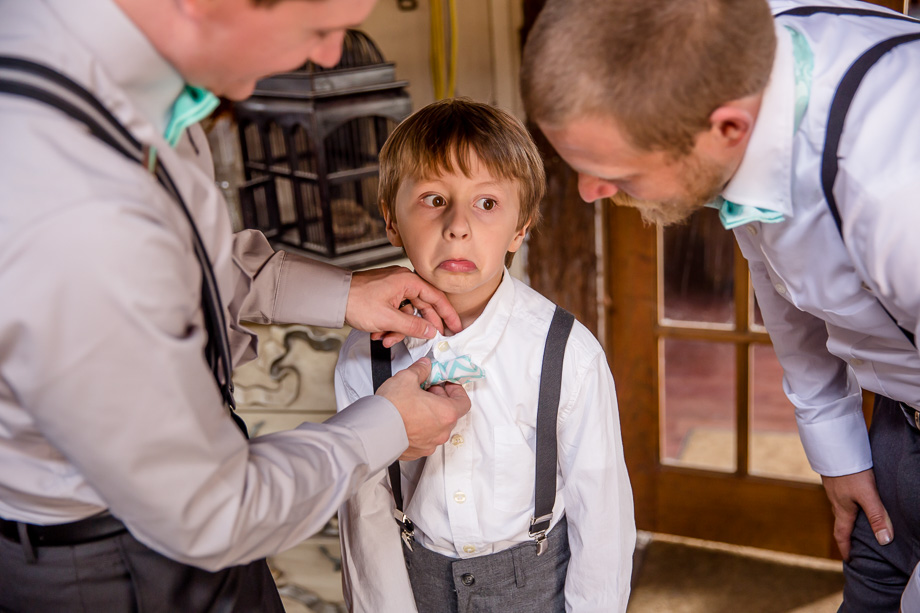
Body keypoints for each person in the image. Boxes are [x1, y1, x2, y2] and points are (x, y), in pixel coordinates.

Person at [0, 0, 472, 610]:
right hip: (113, 567)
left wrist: (342, 291)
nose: (329, 57)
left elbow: (186, 264)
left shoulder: (147, 84)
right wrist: (387, 428)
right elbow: (211, 512)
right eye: (321, 29)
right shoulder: (70, 207)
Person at [521, 0, 920, 610]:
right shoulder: (732, 60)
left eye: (617, 172)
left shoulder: (894, 194)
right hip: (898, 413)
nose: (590, 193)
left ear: (728, 129)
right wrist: (838, 450)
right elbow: (782, 279)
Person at [333, 98, 636, 613]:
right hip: (419, 578)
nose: (458, 225)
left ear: (521, 227)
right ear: (391, 220)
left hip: (537, 582)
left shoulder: (566, 353)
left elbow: (602, 511)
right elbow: (366, 512)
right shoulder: (366, 357)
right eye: (433, 199)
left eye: (487, 204)